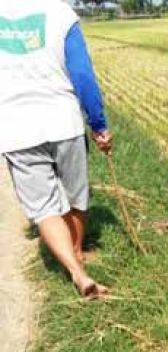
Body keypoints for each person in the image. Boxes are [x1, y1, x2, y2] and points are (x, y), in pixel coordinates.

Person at [0, 0, 113, 298]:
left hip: (15, 128)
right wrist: (99, 124)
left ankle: (77, 273)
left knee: (44, 208)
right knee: (77, 195)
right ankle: (77, 252)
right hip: (63, 121)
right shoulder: (60, 12)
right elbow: (83, 75)